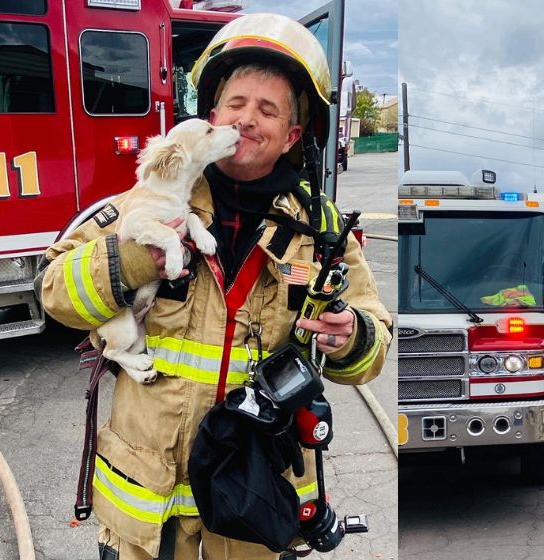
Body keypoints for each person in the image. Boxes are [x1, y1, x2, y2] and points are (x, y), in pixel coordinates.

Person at [37, 13, 392, 560]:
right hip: (148, 505)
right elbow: (54, 290)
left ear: (293, 136)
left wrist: (349, 338)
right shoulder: (149, 200)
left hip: (252, 498)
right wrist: (133, 262)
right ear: (213, 115)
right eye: (236, 104)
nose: (247, 120)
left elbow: (370, 352)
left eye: (268, 110)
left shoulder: (321, 231)